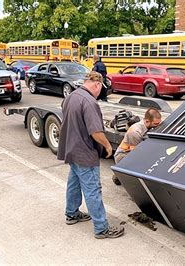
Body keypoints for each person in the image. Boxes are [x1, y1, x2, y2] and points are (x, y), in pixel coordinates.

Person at [57, 71, 124, 239]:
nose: (99, 92)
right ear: (97, 84)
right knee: (93, 189)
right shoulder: (89, 101)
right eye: (100, 89)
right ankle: (101, 228)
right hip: (85, 153)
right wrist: (108, 146)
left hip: (71, 149)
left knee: (74, 183)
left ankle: (71, 214)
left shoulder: (71, 96)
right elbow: (95, 131)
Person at [112, 108, 163, 185]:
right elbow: (136, 155)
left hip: (137, 150)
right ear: (147, 121)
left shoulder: (150, 126)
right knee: (142, 164)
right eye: (156, 124)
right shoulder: (135, 132)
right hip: (124, 155)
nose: (157, 126)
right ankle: (119, 174)